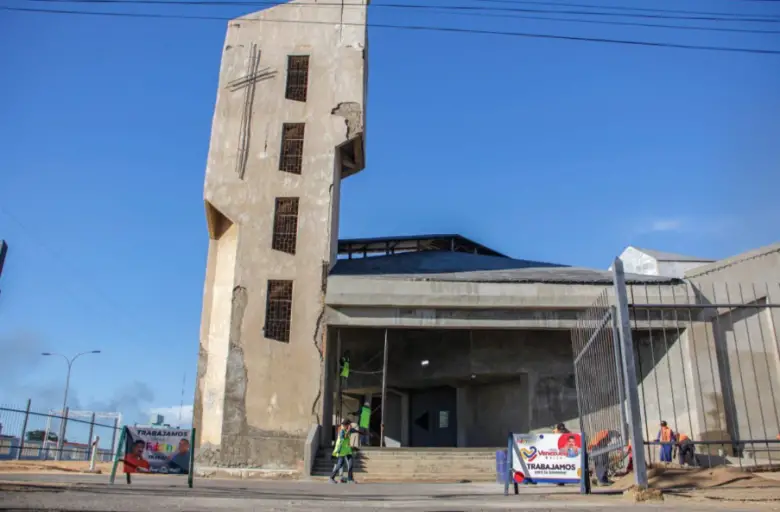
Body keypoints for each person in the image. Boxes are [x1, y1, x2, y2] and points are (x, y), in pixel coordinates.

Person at [330, 418, 362, 484]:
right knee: (339, 465)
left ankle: (350, 479)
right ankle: (331, 478)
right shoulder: (342, 431)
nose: (344, 426)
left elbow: (355, 431)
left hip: (348, 450)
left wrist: (363, 433)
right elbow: (344, 437)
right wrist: (348, 430)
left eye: (346, 424)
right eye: (344, 425)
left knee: (350, 464)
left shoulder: (349, 430)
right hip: (341, 451)